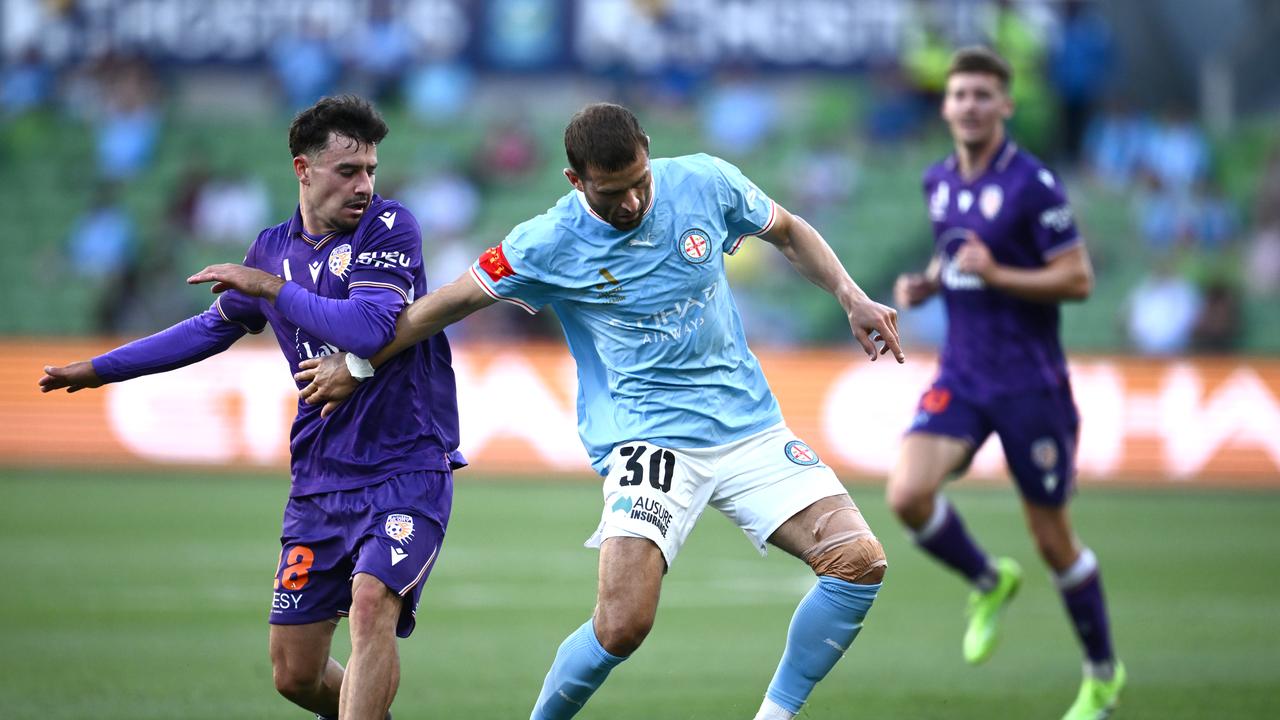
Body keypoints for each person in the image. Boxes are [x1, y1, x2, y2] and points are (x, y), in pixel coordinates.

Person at [279, 102, 902, 720]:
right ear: (575, 182)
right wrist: (357, 363)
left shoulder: (707, 180)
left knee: (858, 563)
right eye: (612, 194)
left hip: (750, 426)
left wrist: (851, 295)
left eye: (639, 182)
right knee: (623, 625)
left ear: (649, 152)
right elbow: (447, 303)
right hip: (648, 441)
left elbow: (789, 231)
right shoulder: (546, 242)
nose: (631, 203)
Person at [39, 95, 463, 720]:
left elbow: (369, 329)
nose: (364, 185)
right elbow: (208, 329)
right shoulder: (271, 249)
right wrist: (102, 369)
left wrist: (270, 289)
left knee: (372, 603)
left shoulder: (388, 227)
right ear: (303, 169)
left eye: (371, 169)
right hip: (321, 476)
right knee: (295, 674)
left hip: (406, 465)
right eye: (348, 171)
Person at [889, 47, 1124, 720]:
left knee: (1053, 541)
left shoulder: (1034, 185)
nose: (969, 105)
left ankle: (1101, 676)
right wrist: (931, 281)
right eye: (959, 94)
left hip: (1030, 384)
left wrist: (999, 276)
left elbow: (1078, 279)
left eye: (982, 95)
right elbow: (957, 250)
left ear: (1005, 105)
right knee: (907, 493)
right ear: (945, 104)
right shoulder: (938, 182)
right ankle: (988, 581)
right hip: (962, 374)